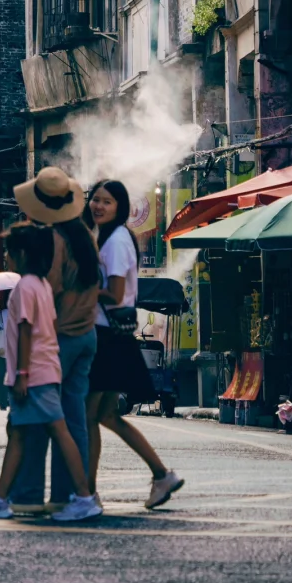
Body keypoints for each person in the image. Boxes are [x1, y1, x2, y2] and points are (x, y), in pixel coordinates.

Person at [0, 222, 102, 522]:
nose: (5, 258)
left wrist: (23, 373)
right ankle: (1, 497)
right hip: (44, 371)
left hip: (34, 376)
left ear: (23, 254)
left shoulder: (25, 287)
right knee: (18, 433)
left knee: (55, 430)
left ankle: (83, 496)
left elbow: (26, 330)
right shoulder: (41, 286)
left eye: (9, 253)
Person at [85, 179, 184, 510]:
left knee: (90, 417)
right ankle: (161, 474)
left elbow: (113, 294)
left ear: (120, 207)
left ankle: (87, 493)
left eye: (107, 202)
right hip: (113, 336)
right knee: (107, 417)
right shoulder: (109, 237)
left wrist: (77, 290)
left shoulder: (114, 241)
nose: (98, 206)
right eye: (95, 199)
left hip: (109, 338)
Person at [11, 167, 100, 511]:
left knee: (37, 416)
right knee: (73, 419)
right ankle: (67, 494)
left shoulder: (52, 241)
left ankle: (28, 494)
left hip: (59, 338)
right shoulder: (85, 236)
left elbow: (47, 290)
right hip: (86, 334)